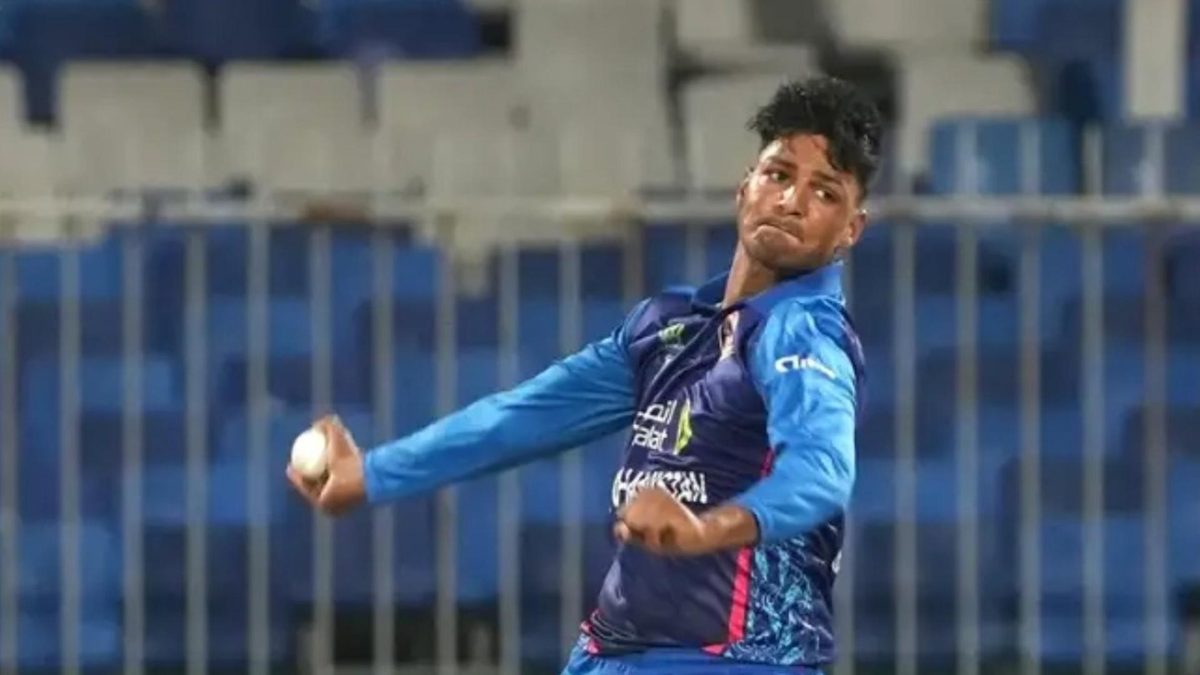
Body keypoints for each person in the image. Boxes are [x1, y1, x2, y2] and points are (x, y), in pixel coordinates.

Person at [287, 75, 880, 674]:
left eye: (825, 192)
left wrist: (707, 530)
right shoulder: (667, 326)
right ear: (743, 188)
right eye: (778, 175)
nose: (791, 200)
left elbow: (822, 471)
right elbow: (522, 417)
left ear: (851, 230)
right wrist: (372, 474)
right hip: (611, 655)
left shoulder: (805, 332)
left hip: (740, 661)